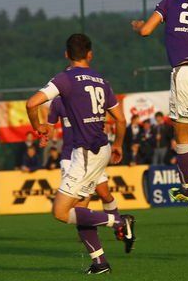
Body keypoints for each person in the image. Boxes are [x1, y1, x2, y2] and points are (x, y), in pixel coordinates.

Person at [26, 33, 134, 275]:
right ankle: (100, 262)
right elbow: (121, 120)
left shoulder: (65, 79)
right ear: (90, 54)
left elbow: (31, 103)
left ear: (66, 54)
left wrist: (37, 126)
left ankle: (119, 221)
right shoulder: (102, 81)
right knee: (81, 211)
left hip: (85, 153)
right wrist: (119, 144)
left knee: (60, 212)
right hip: (102, 148)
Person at [132, 0, 188, 208]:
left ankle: (187, 189)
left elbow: (146, 31)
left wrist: (139, 26)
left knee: (180, 133)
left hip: (186, 73)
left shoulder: (173, 0)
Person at [46, 96, 125, 231]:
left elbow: (114, 118)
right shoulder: (58, 102)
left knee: (104, 193)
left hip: (90, 153)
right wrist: (44, 134)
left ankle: (120, 227)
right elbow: (50, 126)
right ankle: (101, 232)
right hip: (69, 157)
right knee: (79, 203)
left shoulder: (87, 97)